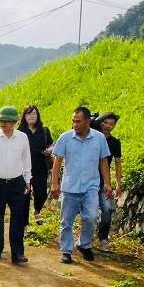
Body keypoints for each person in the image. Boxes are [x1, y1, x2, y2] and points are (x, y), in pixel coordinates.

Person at [50, 106, 113, 264]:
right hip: (70, 187)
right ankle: (66, 250)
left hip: (90, 187)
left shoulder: (99, 139)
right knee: (66, 221)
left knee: (91, 217)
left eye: (78, 121)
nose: (74, 124)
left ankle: (84, 244)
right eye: (73, 121)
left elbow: (103, 161)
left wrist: (107, 182)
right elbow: (57, 162)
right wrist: (54, 183)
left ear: (88, 122)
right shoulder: (65, 138)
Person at [0, 105, 32, 264]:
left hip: (17, 183)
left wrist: (27, 180)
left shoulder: (23, 138)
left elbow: (26, 160)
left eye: (7, 121)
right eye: (1, 121)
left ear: (15, 122)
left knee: (17, 218)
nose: (3, 124)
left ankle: (18, 253)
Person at [18, 105, 54, 225]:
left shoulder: (44, 130)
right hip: (23, 169)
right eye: (29, 114)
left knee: (41, 193)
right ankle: (24, 225)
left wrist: (49, 150)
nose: (32, 116)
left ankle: (37, 210)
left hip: (40, 167)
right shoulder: (19, 132)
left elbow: (50, 144)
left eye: (34, 114)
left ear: (37, 116)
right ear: (24, 117)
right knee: (24, 197)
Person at [95, 111, 123, 248]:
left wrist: (118, 183)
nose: (107, 126)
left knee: (107, 209)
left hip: (103, 182)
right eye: (105, 122)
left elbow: (118, 163)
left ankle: (103, 237)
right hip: (88, 180)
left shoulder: (115, 143)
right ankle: (84, 237)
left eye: (111, 124)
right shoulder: (92, 137)